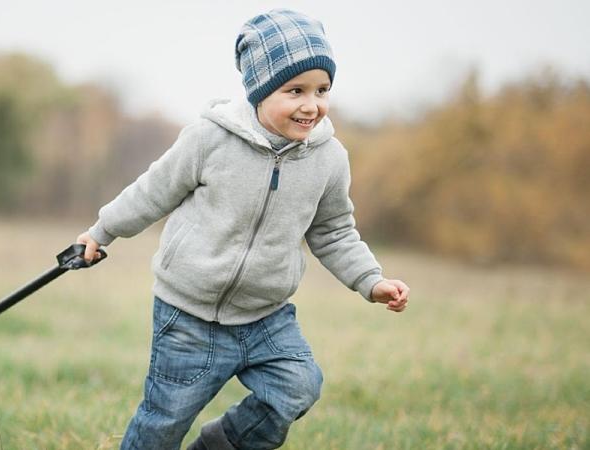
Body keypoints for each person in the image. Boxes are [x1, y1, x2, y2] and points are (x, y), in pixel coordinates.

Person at [76, 9, 410, 450]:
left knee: (298, 387)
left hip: (265, 317)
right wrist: (101, 232)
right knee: (163, 422)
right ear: (260, 89)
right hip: (188, 315)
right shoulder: (209, 140)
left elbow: (333, 231)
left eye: (322, 90)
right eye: (296, 90)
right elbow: (151, 192)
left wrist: (371, 280)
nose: (312, 104)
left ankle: (220, 446)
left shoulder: (328, 159)